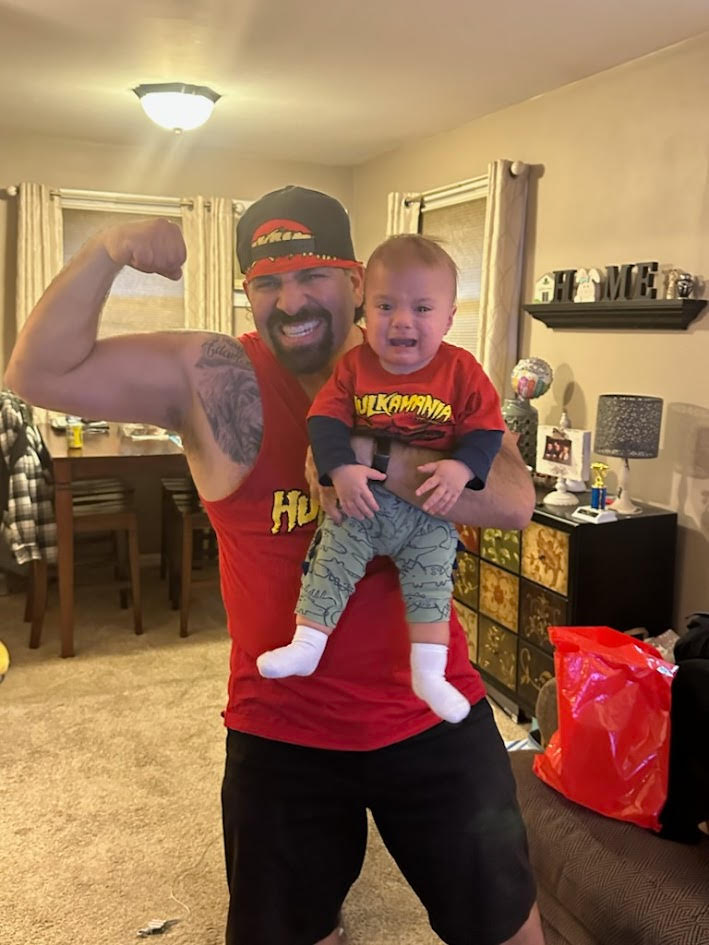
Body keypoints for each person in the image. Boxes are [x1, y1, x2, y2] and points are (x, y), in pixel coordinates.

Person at [5, 184, 544, 945]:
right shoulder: (213, 375)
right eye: (266, 283)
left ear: (355, 282)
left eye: (311, 275)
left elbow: (515, 500)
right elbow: (36, 373)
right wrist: (105, 251)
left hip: (434, 714)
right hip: (281, 727)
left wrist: (368, 458)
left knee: (505, 929)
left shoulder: (426, 366)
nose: (290, 302)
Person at [257, 234, 504, 725]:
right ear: (364, 311)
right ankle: (307, 643)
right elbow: (324, 420)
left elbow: (486, 430)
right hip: (362, 504)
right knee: (331, 561)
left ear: (449, 318)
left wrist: (461, 468)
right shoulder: (354, 367)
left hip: (428, 512)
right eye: (386, 306)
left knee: (431, 586)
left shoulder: (461, 370)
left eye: (422, 308)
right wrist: (340, 469)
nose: (402, 321)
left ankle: (429, 674)